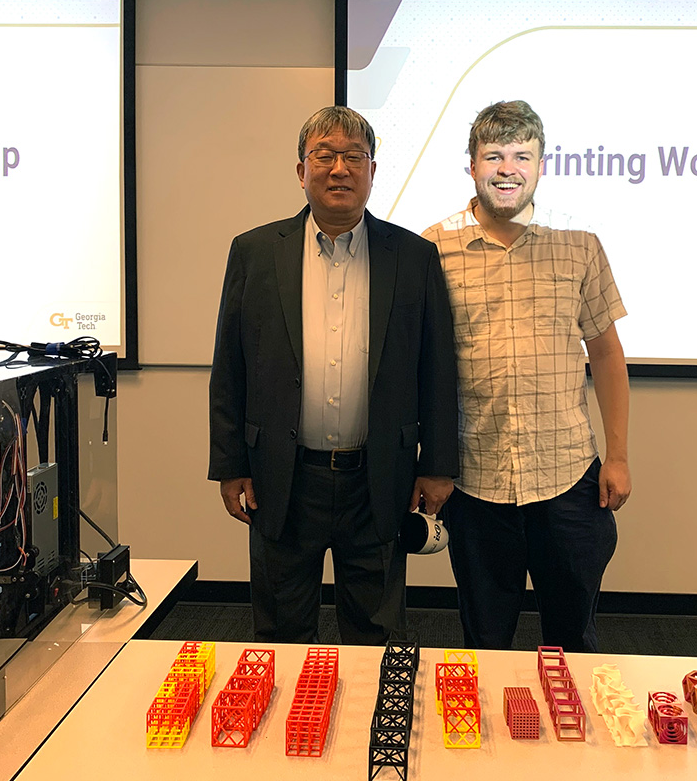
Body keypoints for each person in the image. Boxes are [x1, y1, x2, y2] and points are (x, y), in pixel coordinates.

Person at [209, 106, 459, 645]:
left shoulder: (413, 257)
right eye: (324, 155)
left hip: (379, 478)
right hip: (283, 476)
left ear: (373, 170)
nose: (339, 169)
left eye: (354, 157)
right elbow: (230, 366)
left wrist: (438, 466)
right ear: (302, 170)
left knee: (376, 633)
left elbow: (437, 368)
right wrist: (230, 465)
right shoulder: (255, 252)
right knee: (280, 630)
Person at [422, 100, 632, 652]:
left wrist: (617, 456)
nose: (507, 169)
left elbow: (607, 354)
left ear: (541, 164)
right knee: (485, 642)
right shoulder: (432, 249)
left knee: (573, 642)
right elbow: (419, 368)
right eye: (494, 156)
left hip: (568, 476)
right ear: (471, 165)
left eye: (522, 155)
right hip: (476, 479)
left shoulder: (579, 245)